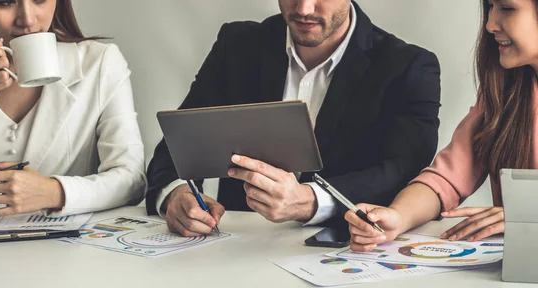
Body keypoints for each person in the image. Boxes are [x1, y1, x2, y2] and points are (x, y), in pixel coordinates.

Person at [146, 0, 441, 237]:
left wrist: (311, 201)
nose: (304, 9)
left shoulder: (409, 66)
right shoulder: (236, 45)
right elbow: (179, 144)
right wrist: (176, 195)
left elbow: (405, 172)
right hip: (235, 251)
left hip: (348, 256)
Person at [346, 0, 538, 251]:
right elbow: (446, 179)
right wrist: (397, 217)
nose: (490, 24)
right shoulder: (504, 93)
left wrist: (529, 216)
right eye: (490, 7)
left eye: (507, 8)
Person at [0, 0, 146, 216]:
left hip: (65, 246)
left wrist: (54, 192)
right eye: (6, 2)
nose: (27, 19)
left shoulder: (99, 64)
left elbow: (132, 178)